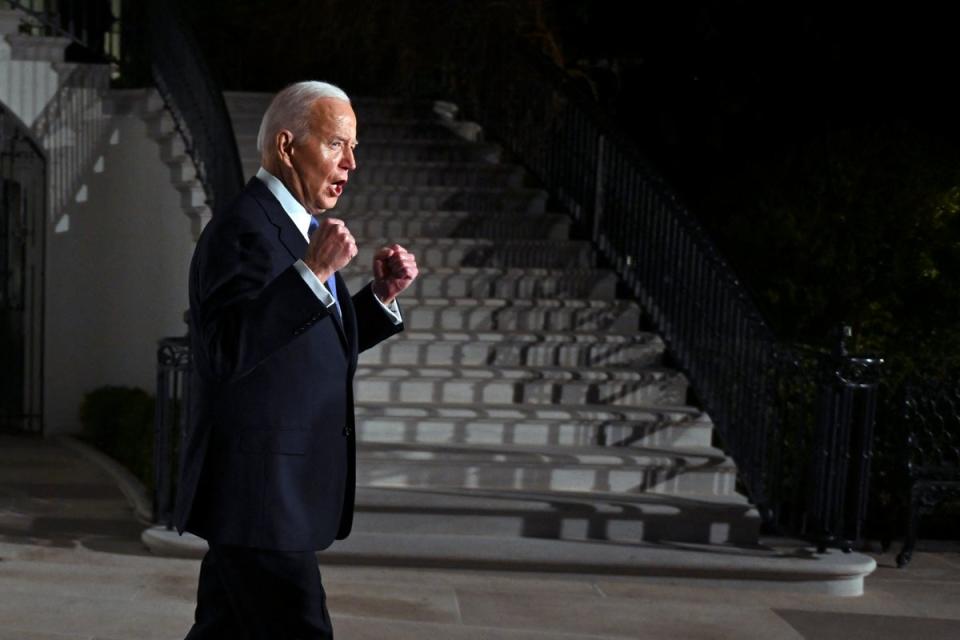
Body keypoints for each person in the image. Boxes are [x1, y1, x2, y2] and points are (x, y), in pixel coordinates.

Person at [175, 81, 418, 639]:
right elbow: (225, 350)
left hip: (269, 496)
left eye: (353, 147)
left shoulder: (295, 229)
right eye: (336, 144)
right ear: (287, 147)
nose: (351, 162)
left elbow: (302, 348)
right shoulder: (243, 227)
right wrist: (311, 275)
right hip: (261, 497)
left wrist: (378, 300)